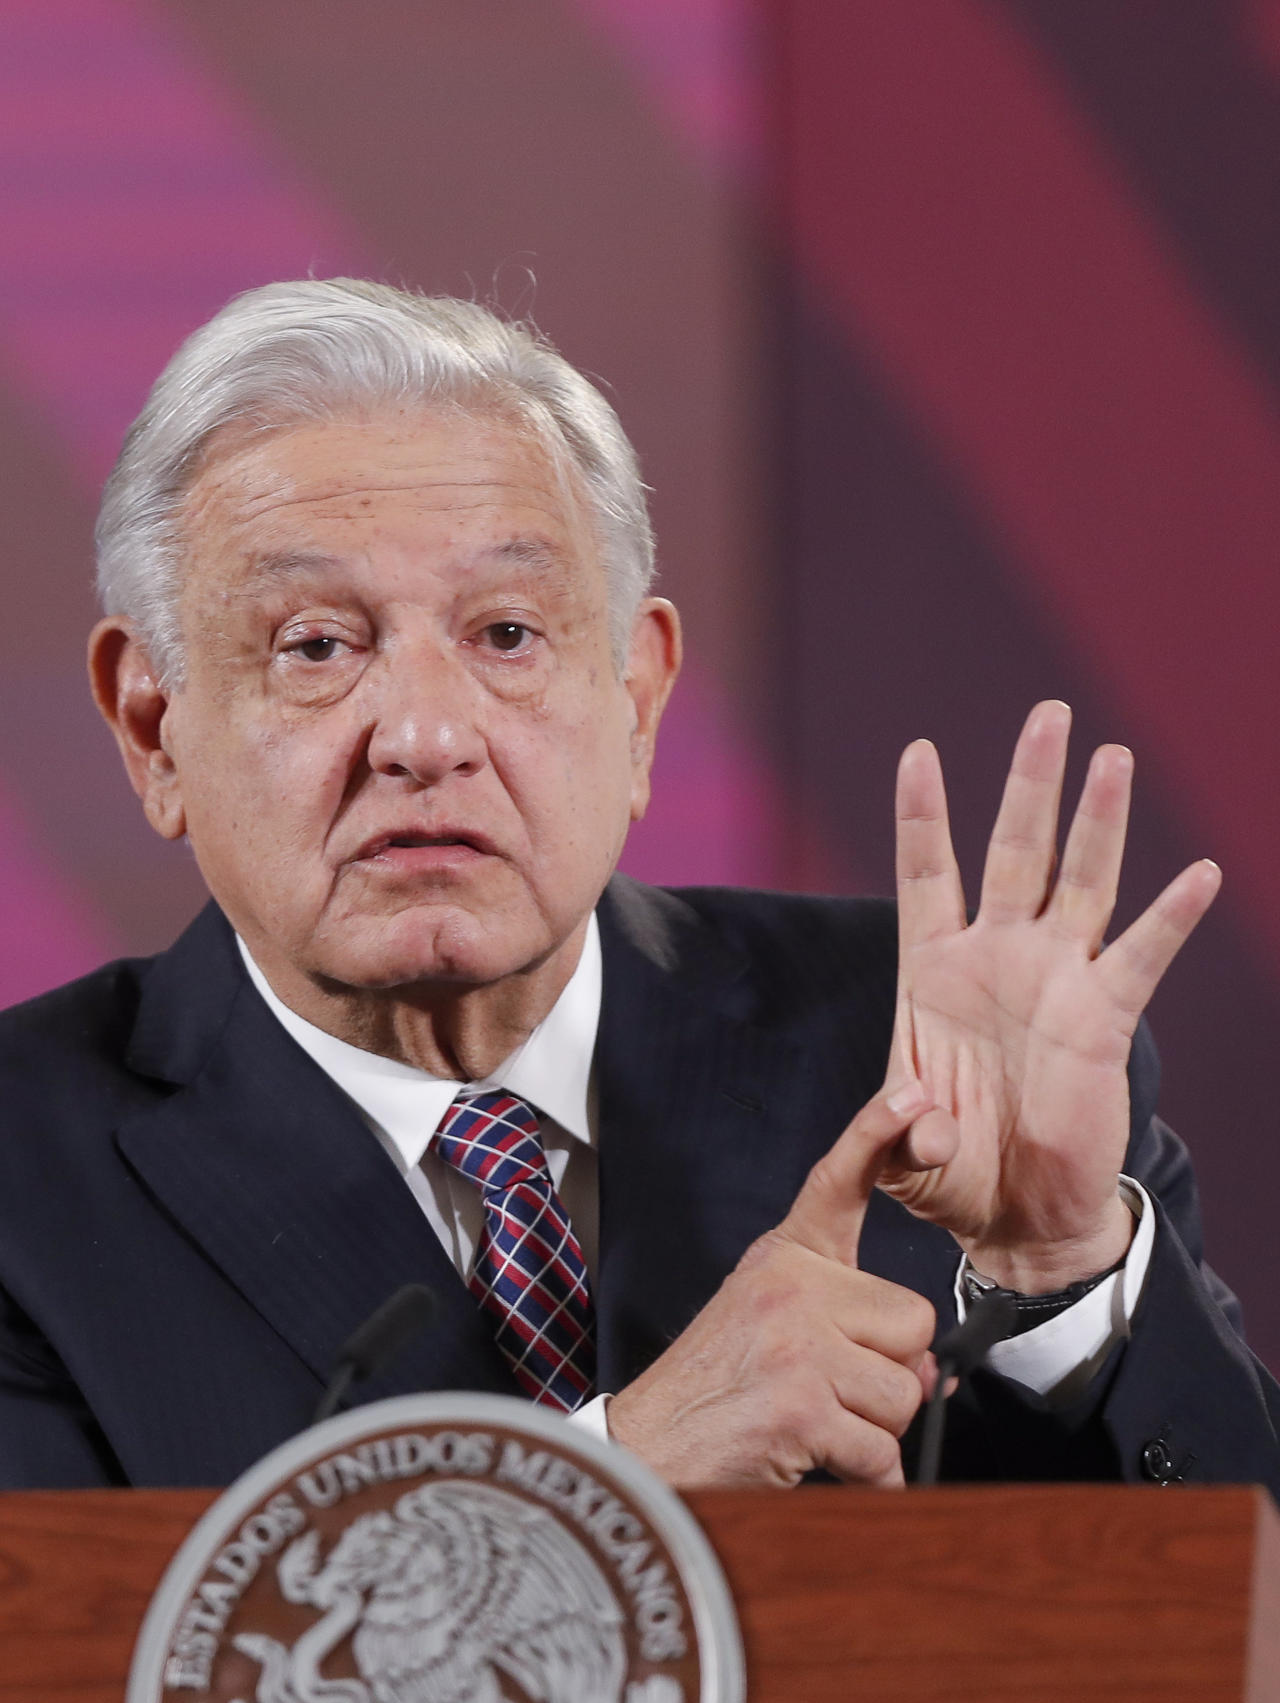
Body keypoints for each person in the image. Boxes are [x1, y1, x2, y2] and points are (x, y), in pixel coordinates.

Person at [0, 278, 1273, 1493]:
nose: (426, 737)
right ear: (152, 729)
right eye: (317, 645)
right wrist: (623, 1471)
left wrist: (1060, 1273)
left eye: (507, 634)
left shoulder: (916, 1051)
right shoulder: (24, 1179)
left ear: (639, 699)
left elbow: (1232, 1638)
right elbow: (82, 1696)